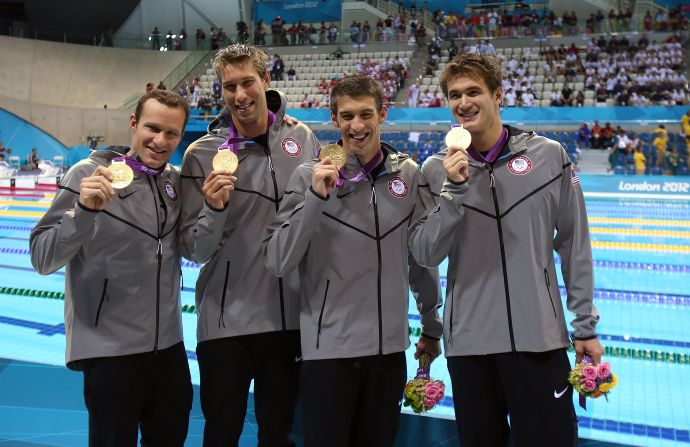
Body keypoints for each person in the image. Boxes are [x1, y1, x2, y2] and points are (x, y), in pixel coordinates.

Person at [408, 53, 604, 447]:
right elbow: (424, 253)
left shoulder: (548, 157)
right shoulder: (434, 171)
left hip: (540, 343)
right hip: (470, 348)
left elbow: (573, 243)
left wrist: (585, 324)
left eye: (474, 91)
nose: (464, 103)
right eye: (455, 95)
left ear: (498, 95)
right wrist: (454, 191)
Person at [264, 74, 442, 447]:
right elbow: (279, 260)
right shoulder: (307, 175)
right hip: (329, 354)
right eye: (347, 116)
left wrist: (431, 324)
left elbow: (421, 259)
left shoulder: (407, 175)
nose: (356, 126)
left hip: (388, 352)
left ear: (383, 113)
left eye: (365, 115)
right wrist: (315, 198)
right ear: (334, 118)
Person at [29, 90, 193, 446]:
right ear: (133, 124)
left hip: (169, 351)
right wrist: (84, 212)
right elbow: (42, 257)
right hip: (111, 353)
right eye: (152, 128)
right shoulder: (88, 174)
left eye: (171, 133)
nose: (160, 140)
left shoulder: (174, 183)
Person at [178, 44, 320, 446]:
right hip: (226, 324)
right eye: (229, 87)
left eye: (247, 83)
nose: (239, 95)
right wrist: (214, 206)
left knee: (279, 433)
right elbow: (193, 249)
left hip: (287, 320)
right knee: (221, 433)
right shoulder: (202, 154)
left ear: (266, 81)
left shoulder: (301, 137)